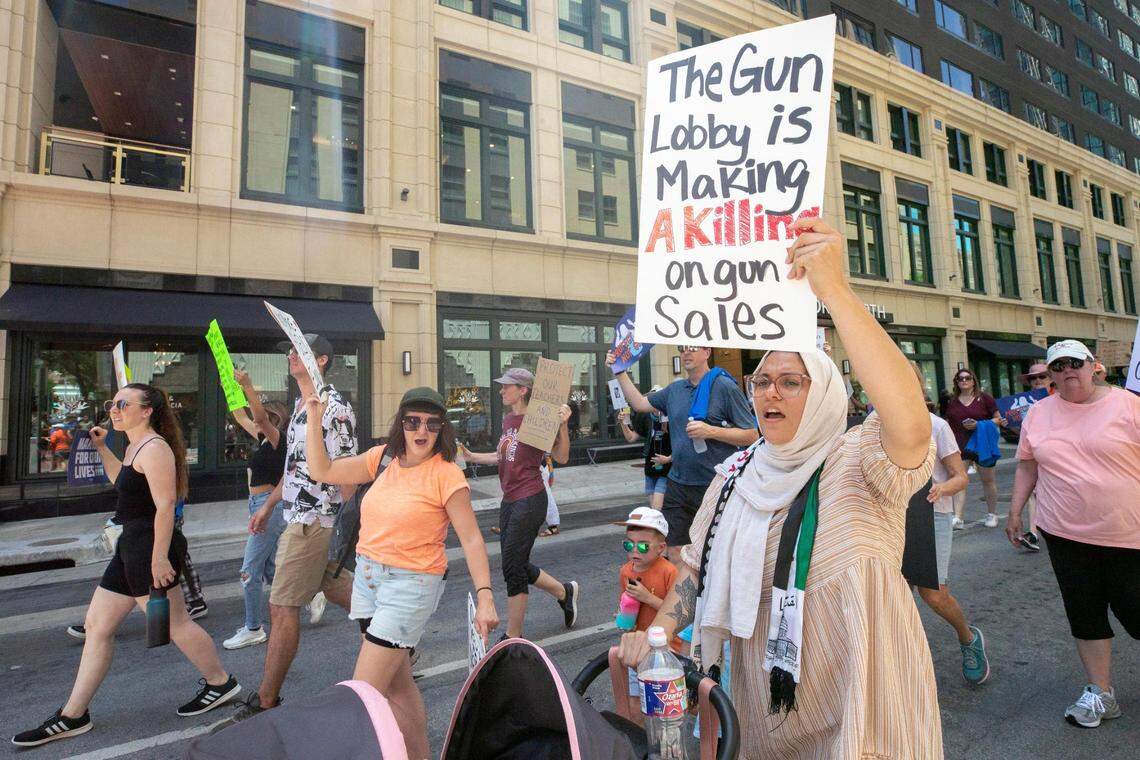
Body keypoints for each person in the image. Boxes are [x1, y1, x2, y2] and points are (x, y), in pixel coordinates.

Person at [618, 217, 942, 757]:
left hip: (862, 697)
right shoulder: (735, 475)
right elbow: (695, 570)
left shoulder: (859, 458)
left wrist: (835, 292)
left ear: (823, 396)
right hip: (764, 710)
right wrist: (657, 635)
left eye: (792, 382)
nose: (772, 392)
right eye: (763, 381)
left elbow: (908, 418)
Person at [13, 384, 240, 748]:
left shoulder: (155, 448)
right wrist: (103, 448)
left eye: (122, 404)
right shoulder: (136, 446)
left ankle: (221, 683)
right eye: (112, 403)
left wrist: (160, 557)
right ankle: (74, 715)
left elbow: (166, 506)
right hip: (131, 545)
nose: (114, 410)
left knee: (175, 624)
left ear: (147, 410)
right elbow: (124, 482)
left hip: (149, 545)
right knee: (97, 625)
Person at [303, 386, 498, 757]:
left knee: (362, 695)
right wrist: (314, 420)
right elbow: (322, 469)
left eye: (431, 423)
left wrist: (486, 595)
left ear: (442, 429)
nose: (421, 431)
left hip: (411, 587)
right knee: (397, 686)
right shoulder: (381, 459)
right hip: (368, 580)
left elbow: (472, 540)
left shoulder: (446, 475)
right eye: (412, 421)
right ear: (401, 424)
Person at [215, 334, 357, 727]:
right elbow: (294, 469)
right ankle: (392, 641)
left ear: (323, 360)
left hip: (316, 519)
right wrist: (270, 505)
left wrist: (349, 527)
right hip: (296, 512)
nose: (292, 356)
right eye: (291, 351)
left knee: (281, 605)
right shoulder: (298, 407)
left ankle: (266, 700)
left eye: (301, 351)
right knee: (339, 588)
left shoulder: (335, 406)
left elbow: (349, 470)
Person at [1006, 339, 1140, 729]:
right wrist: (1015, 511)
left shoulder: (1128, 405)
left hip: (1127, 533)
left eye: (1075, 363)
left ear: (1093, 366)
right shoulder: (1040, 414)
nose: (1068, 371)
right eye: (1058, 366)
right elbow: (1028, 466)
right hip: (1064, 533)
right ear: (1050, 375)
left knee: (1135, 611)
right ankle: (1101, 693)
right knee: (1084, 611)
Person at [607, 347, 757, 562]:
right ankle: (683, 596)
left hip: (713, 485)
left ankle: (705, 594)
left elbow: (751, 434)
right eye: (682, 349)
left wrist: (711, 431)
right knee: (675, 550)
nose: (686, 353)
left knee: (712, 552)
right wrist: (620, 371)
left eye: (692, 348)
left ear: (707, 352)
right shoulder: (674, 390)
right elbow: (640, 404)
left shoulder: (724, 387)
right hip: (677, 484)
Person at [461, 368, 580, 639]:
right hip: (510, 500)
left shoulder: (538, 419)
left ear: (523, 390)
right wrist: (472, 457)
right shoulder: (509, 420)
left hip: (530, 498)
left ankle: (513, 636)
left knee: (513, 567)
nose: (502, 390)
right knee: (514, 562)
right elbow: (504, 456)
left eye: (507, 386)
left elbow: (560, 457)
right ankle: (564, 592)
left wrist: (562, 425)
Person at [912, 364, 990, 685]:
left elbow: (960, 478)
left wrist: (942, 487)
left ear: (918, 386)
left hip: (932, 515)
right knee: (892, 594)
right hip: (890, 519)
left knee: (934, 594)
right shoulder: (875, 427)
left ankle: (968, 638)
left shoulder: (936, 426)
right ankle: (902, 660)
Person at [223, 371, 288, 650]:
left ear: (274, 420)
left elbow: (257, 418)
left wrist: (248, 385)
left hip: (268, 507)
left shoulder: (277, 440)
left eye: (264, 417)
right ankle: (313, 594)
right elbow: (240, 416)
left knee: (249, 570)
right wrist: (228, 381)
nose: (256, 419)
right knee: (272, 569)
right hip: (258, 505)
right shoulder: (263, 439)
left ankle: (253, 628)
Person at [614, 507, 680, 725]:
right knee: (636, 704)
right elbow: (626, 606)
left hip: (668, 650)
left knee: (666, 706)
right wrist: (624, 619)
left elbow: (679, 613)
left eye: (642, 546)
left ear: (661, 548)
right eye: (628, 544)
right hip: (639, 647)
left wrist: (647, 597)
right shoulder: (626, 571)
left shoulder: (670, 572)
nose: (635, 551)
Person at [943, 367, 1005, 529]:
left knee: (988, 481)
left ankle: (992, 514)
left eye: (967, 378)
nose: (964, 381)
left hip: (982, 445)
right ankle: (958, 517)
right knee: (958, 480)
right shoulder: (952, 400)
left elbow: (998, 419)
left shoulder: (985, 399)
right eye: (960, 378)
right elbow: (947, 422)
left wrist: (979, 425)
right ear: (956, 382)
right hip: (959, 446)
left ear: (973, 380)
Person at [1011, 361, 1053, 552]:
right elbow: (1022, 433)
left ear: (1051, 378)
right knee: (1032, 489)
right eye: (1033, 378)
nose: (1037, 381)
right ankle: (1033, 532)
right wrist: (1009, 422)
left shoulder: (1063, 398)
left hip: (1057, 458)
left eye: (1042, 376)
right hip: (1034, 454)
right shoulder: (1024, 402)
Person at [617, 391, 672, 510]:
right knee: (654, 509)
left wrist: (668, 459)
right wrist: (623, 424)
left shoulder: (672, 416)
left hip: (666, 470)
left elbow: (682, 444)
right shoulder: (646, 417)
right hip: (650, 469)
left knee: (657, 508)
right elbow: (631, 438)